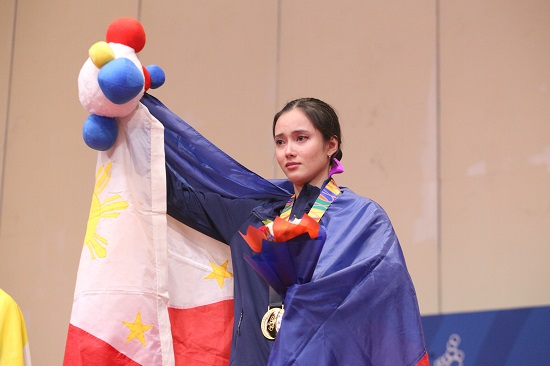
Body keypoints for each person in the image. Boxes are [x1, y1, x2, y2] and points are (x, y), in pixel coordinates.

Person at [142, 95, 428, 365]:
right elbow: (173, 195)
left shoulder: (363, 218)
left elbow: (382, 306)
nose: (288, 150)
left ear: (331, 145)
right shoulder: (253, 216)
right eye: (280, 142)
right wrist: (133, 122)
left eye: (301, 139)